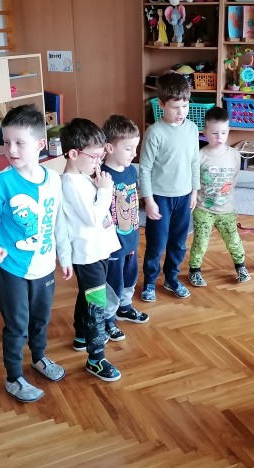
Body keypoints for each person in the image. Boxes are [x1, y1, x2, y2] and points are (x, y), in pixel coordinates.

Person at [0, 105, 72, 402]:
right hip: (12, 268)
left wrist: (64, 256)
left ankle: (39, 357)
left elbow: (58, 221)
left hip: (44, 265)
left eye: (20, 142)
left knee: (41, 318)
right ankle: (14, 376)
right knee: (17, 324)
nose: (11, 149)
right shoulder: (2, 181)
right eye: (6, 142)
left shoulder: (53, 179)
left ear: (40, 144)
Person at [58, 118, 122, 381]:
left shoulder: (83, 177)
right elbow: (93, 218)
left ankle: (81, 336)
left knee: (88, 295)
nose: (99, 162)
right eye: (94, 157)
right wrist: (105, 190)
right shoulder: (70, 182)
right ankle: (96, 359)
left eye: (100, 156)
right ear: (74, 154)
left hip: (98, 251)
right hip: (88, 255)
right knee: (97, 304)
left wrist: (99, 186)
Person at [139, 72, 200, 302]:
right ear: (161, 104)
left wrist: (194, 191)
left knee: (178, 243)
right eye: (175, 107)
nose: (181, 112)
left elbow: (195, 162)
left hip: (184, 197)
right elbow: (145, 168)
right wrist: (148, 200)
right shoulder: (155, 132)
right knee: (156, 244)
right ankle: (150, 282)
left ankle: (171, 278)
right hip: (160, 198)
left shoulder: (192, 129)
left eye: (185, 106)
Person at [100, 115, 150, 343]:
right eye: (128, 148)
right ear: (109, 148)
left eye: (135, 148)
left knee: (130, 276)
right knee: (113, 281)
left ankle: (124, 307)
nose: (133, 153)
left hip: (130, 238)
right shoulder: (102, 176)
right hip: (112, 245)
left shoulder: (130, 170)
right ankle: (108, 318)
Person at [188, 106, 250, 286]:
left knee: (234, 240)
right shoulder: (199, 155)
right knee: (201, 241)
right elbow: (194, 179)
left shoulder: (234, 155)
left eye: (223, 132)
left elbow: (234, 178)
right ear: (205, 132)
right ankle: (194, 270)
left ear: (228, 130)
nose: (219, 137)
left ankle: (241, 267)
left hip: (226, 209)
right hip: (203, 209)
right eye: (214, 133)